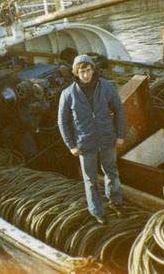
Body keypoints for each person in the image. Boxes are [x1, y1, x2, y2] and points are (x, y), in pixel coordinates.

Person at [58, 54, 126, 225]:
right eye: (82, 72)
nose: (86, 75)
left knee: (111, 172)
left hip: (107, 139)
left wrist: (120, 135)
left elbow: (119, 111)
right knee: (90, 179)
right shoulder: (68, 94)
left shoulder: (107, 87)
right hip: (85, 143)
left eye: (88, 70)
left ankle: (116, 202)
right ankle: (97, 211)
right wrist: (71, 145)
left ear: (93, 70)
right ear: (76, 73)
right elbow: (62, 122)